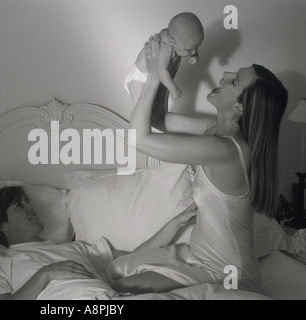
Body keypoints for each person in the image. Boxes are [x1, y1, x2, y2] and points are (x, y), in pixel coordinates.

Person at [106, 34, 288, 295]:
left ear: (239, 107)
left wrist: (156, 76)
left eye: (234, 80)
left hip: (227, 273)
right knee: (116, 269)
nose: (224, 74)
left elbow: (138, 139)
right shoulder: (215, 132)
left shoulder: (226, 150)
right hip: (199, 256)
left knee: (117, 291)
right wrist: (168, 68)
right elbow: (157, 119)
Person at [0, 185, 197, 300]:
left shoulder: (75, 248)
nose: (32, 207)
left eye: (28, 202)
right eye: (20, 205)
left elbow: (136, 257)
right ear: (2, 224)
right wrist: (45, 275)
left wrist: (176, 223)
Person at [124, 12, 204, 102]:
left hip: (152, 77)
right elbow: (162, 71)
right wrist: (174, 90)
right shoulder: (165, 48)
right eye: (189, 50)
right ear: (172, 42)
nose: (194, 51)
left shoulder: (176, 38)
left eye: (196, 48)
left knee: (154, 106)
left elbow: (192, 46)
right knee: (141, 106)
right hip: (139, 79)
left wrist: (194, 55)